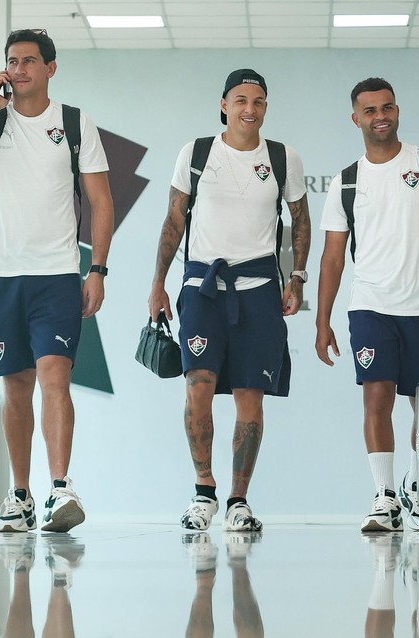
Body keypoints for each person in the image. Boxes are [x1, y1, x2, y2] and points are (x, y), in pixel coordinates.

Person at [0, 29, 114, 533]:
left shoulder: (74, 124)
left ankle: (60, 490)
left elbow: (100, 202)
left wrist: (96, 268)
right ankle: (21, 495)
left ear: (50, 68)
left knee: (55, 376)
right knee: (16, 386)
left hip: (56, 274)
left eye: (30, 61)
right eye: (13, 61)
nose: (20, 69)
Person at [148, 69, 311, 533]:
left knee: (249, 394)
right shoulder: (197, 153)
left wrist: (297, 277)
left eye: (258, 101)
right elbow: (173, 220)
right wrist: (158, 284)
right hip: (202, 287)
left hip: (259, 289)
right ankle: (204, 492)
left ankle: (239, 501)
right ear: (224, 104)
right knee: (197, 386)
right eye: (241, 100)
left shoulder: (283, 158)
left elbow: (300, 220)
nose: (250, 109)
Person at [316, 78, 419, 533]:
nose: (380, 116)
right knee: (376, 397)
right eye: (370, 110)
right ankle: (384, 498)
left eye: (387, 108)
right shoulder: (346, 181)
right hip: (371, 306)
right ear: (355, 118)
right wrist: (322, 321)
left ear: (397, 111)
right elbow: (332, 257)